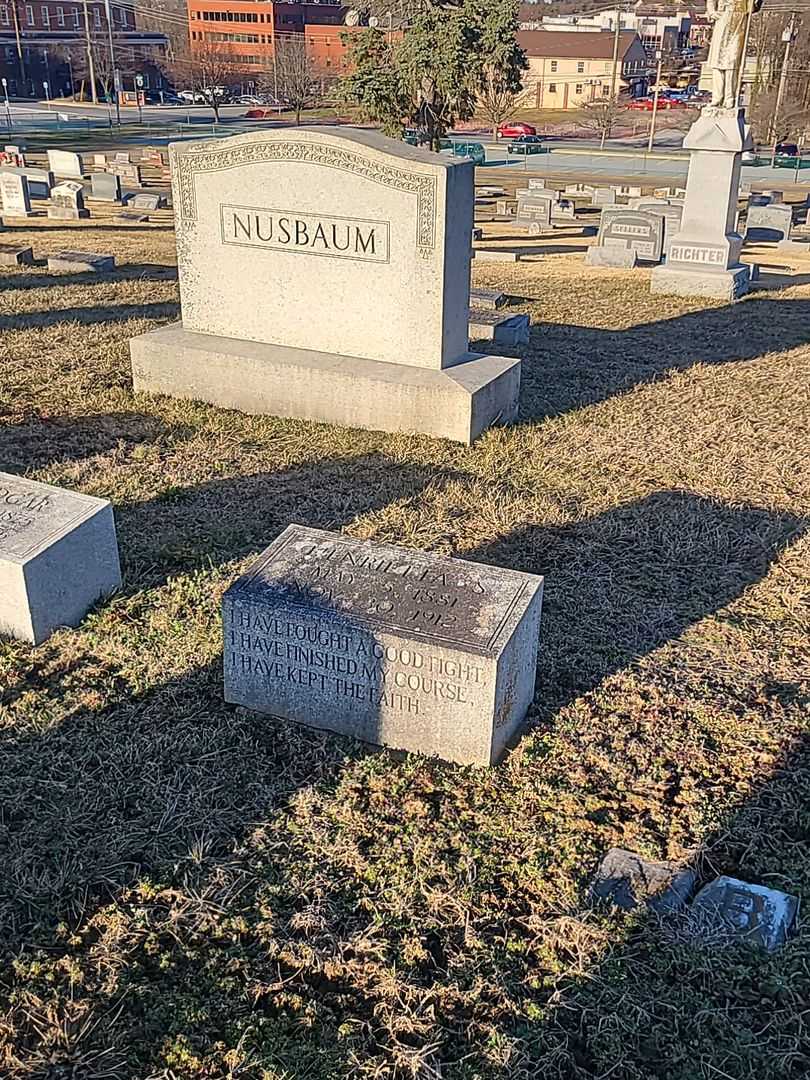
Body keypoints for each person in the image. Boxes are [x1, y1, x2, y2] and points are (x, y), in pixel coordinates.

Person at [706, 0, 762, 109]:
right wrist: (712, 12)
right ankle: (716, 98)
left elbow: (752, 8)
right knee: (717, 61)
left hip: (739, 20)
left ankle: (729, 98)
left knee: (732, 61)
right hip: (722, 19)